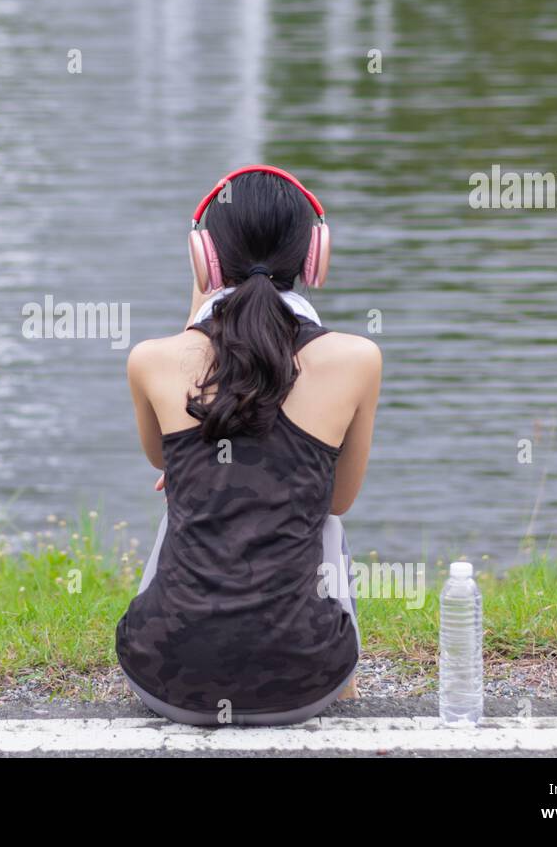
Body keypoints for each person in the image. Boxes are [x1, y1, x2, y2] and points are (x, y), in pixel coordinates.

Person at [116, 166, 382, 726]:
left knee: (180, 495)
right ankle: (345, 687)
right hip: (305, 686)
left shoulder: (151, 360)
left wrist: (199, 309)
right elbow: (337, 502)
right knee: (325, 522)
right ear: (314, 256)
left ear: (205, 260)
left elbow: (164, 461)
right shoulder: (357, 359)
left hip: (165, 680)